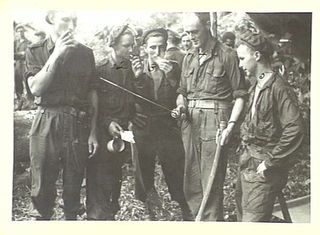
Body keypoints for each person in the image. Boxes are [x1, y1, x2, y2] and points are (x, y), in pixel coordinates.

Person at [171, 12, 247, 221]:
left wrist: (231, 126)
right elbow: (182, 92)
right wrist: (181, 106)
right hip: (189, 121)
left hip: (216, 120)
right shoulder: (189, 57)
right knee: (191, 178)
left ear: (207, 26)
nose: (190, 37)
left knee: (211, 179)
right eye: (187, 32)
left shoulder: (227, 55)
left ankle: (212, 226)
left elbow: (240, 95)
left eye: (194, 32)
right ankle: (200, 222)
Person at [25, 11, 99, 220]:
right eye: (66, 19)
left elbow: (92, 93)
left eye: (74, 20)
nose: (71, 25)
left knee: (73, 186)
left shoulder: (85, 53)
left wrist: (93, 132)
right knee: (41, 185)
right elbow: (37, 88)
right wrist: (57, 53)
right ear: (51, 19)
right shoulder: (35, 50)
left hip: (77, 122)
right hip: (46, 120)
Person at [235, 29, 304, 222]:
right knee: (242, 217)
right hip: (248, 163)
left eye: (242, 59)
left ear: (257, 56)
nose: (240, 65)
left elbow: (295, 129)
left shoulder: (278, 88)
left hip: (264, 168)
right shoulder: (256, 85)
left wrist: (270, 162)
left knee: (251, 225)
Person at [131, 28, 192, 220]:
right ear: (144, 48)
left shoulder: (175, 66)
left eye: (161, 47)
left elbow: (182, 93)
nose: (157, 52)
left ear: (167, 47)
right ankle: (149, 210)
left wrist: (173, 78)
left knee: (176, 167)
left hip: (167, 124)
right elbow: (131, 98)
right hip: (144, 125)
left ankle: (185, 207)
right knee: (144, 169)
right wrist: (138, 77)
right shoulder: (136, 67)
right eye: (152, 47)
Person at [86, 24, 142, 220]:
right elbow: (91, 105)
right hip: (102, 134)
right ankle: (96, 218)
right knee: (99, 180)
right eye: (127, 45)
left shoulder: (130, 68)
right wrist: (106, 123)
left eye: (133, 45)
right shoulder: (100, 69)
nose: (131, 50)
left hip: (122, 133)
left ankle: (110, 217)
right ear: (113, 44)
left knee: (114, 181)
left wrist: (139, 77)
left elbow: (138, 101)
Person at [14, 24, 31, 110]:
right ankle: (19, 103)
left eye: (22, 31)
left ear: (24, 32)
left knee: (26, 83)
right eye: (18, 31)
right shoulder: (14, 43)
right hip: (16, 66)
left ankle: (28, 103)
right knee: (18, 84)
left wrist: (21, 54)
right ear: (16, 32)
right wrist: (20, 54)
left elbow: (27, 54)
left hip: (24, 65)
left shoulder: (28, 43)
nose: (20, 33)